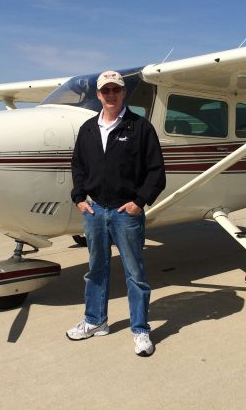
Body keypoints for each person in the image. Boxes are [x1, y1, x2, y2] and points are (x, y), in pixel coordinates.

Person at [67, 70, 166, 357]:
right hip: (95, 211)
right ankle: (96, 321)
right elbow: (78, 167)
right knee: (96, 270)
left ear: (123, 93)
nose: (111, 95)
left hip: (126, 213)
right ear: (98, 95)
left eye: (116, 90)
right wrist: (79, 198)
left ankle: (140, 330)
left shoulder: (140, 128)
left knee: (135, 274)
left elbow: (156, 172)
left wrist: (139, 202)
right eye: (105, 90)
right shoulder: (87, 129)